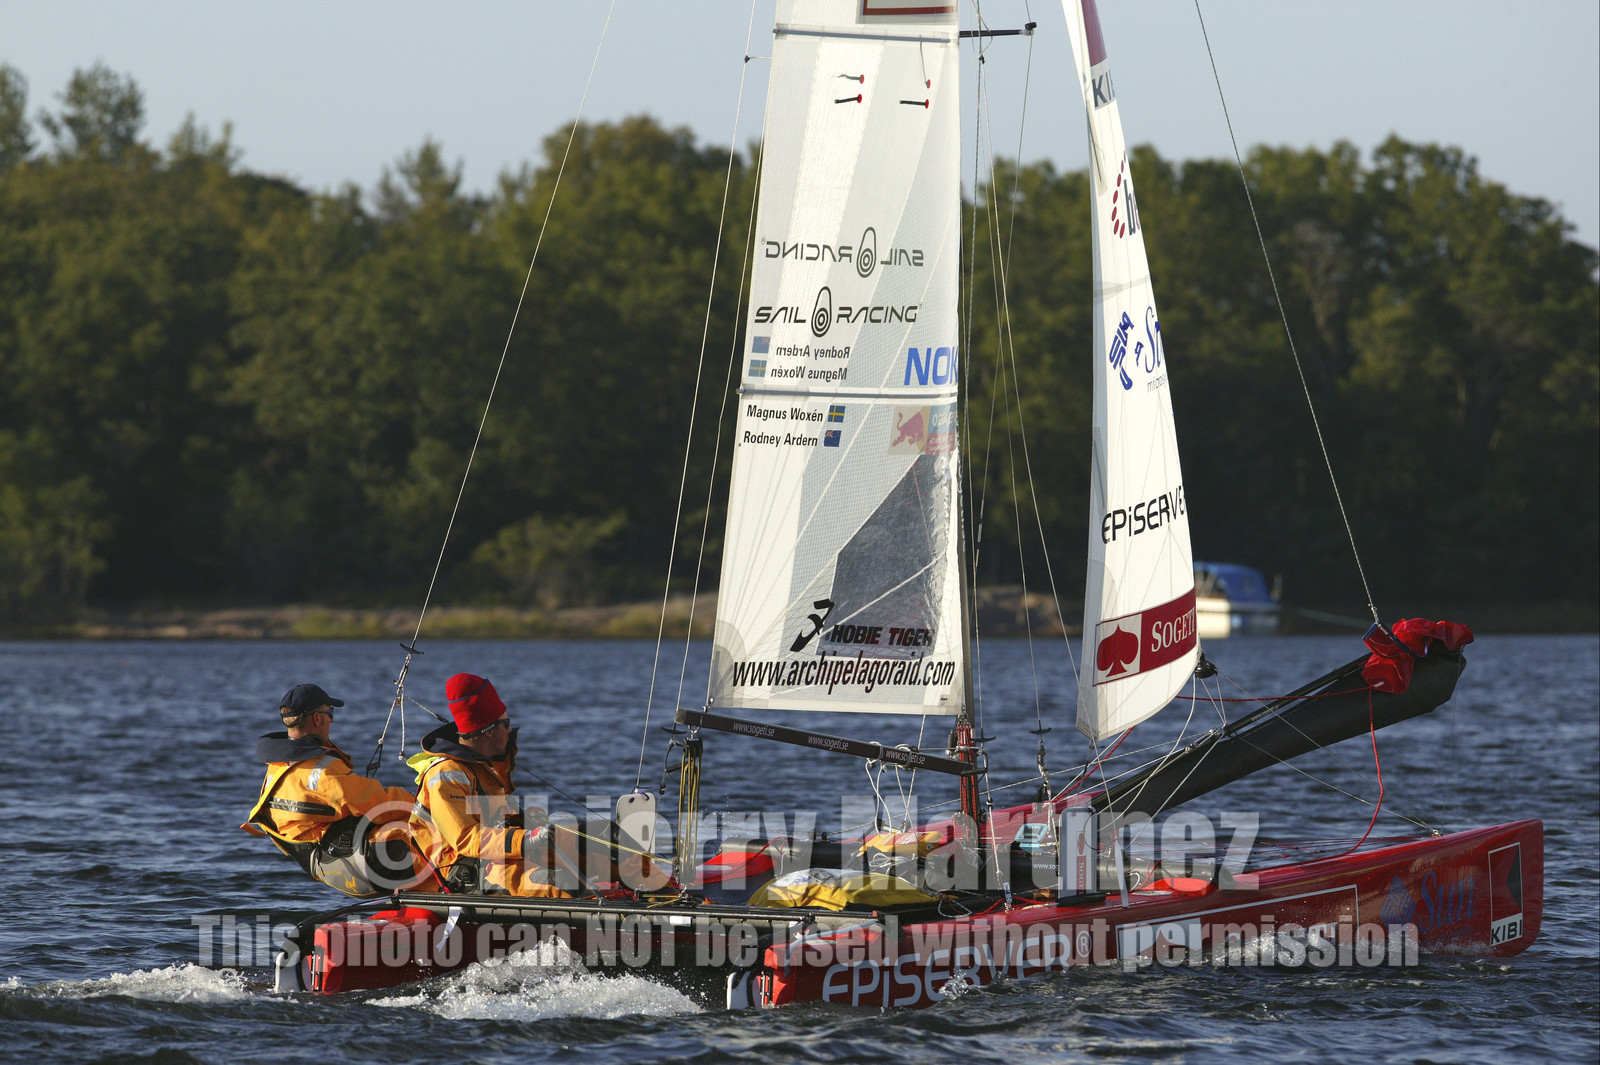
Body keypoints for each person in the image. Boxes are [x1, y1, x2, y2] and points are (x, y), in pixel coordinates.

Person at [243, 683, 437, 897]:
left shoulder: (276, 767)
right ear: (317, 719)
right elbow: (384, 804)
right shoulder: (322, 769)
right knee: (439, 837)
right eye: (330, 713)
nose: (332, 719)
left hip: (327, 864)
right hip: (355, 865)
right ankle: (452, 894)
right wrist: (427, 806)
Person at [407, 673, 590, 897]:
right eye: (506, 723)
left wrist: (541, 826)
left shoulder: (483, 769)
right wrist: (526, 839)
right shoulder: (446, 774)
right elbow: (465, 838)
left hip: (501, 854)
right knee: (563, 883)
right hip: (462, 871)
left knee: (598, 843)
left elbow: (501, 821)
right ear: (489, 731)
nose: (510, 730)